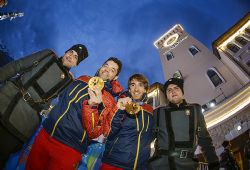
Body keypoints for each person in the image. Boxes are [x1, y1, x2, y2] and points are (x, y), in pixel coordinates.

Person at [25, 57, 123, 170]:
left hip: (69, 147)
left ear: (115, 77)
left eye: (112, 70)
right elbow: (61, 98)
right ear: (101, 66)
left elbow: (94, 132)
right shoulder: (82, 78)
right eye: (106, 65)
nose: (107, 69)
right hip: (46, 133)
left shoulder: (109, 100)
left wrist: (92, 105)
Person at [0, 44, 88, 168]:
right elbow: (18, 65)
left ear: (76, 64)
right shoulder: (47, 55)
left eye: (75, 57)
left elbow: (71, 104)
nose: (71, 56)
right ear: (66, 51)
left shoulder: (69, 82)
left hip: (23, 122)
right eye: (71, 51)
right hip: (6, 99)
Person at [148, 77, 219, 170]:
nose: (172, 91)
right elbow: (147, 138)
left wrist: (213, 162)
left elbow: (204, 139)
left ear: (182, 91)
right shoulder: (158, 112)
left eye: (176, 88)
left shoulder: (195, 109)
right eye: (169, 90)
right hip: (161, 165)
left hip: (188, 165)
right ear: (166, 95)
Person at [100, 74, 154, 170]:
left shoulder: (150, 111)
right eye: (133, 85)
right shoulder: (122, 104)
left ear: (145, 90)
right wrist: (119, 109)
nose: (136, 89)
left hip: (139, 166)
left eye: (140, 85)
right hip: (115, 163)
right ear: (129, 89)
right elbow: (109, 132)